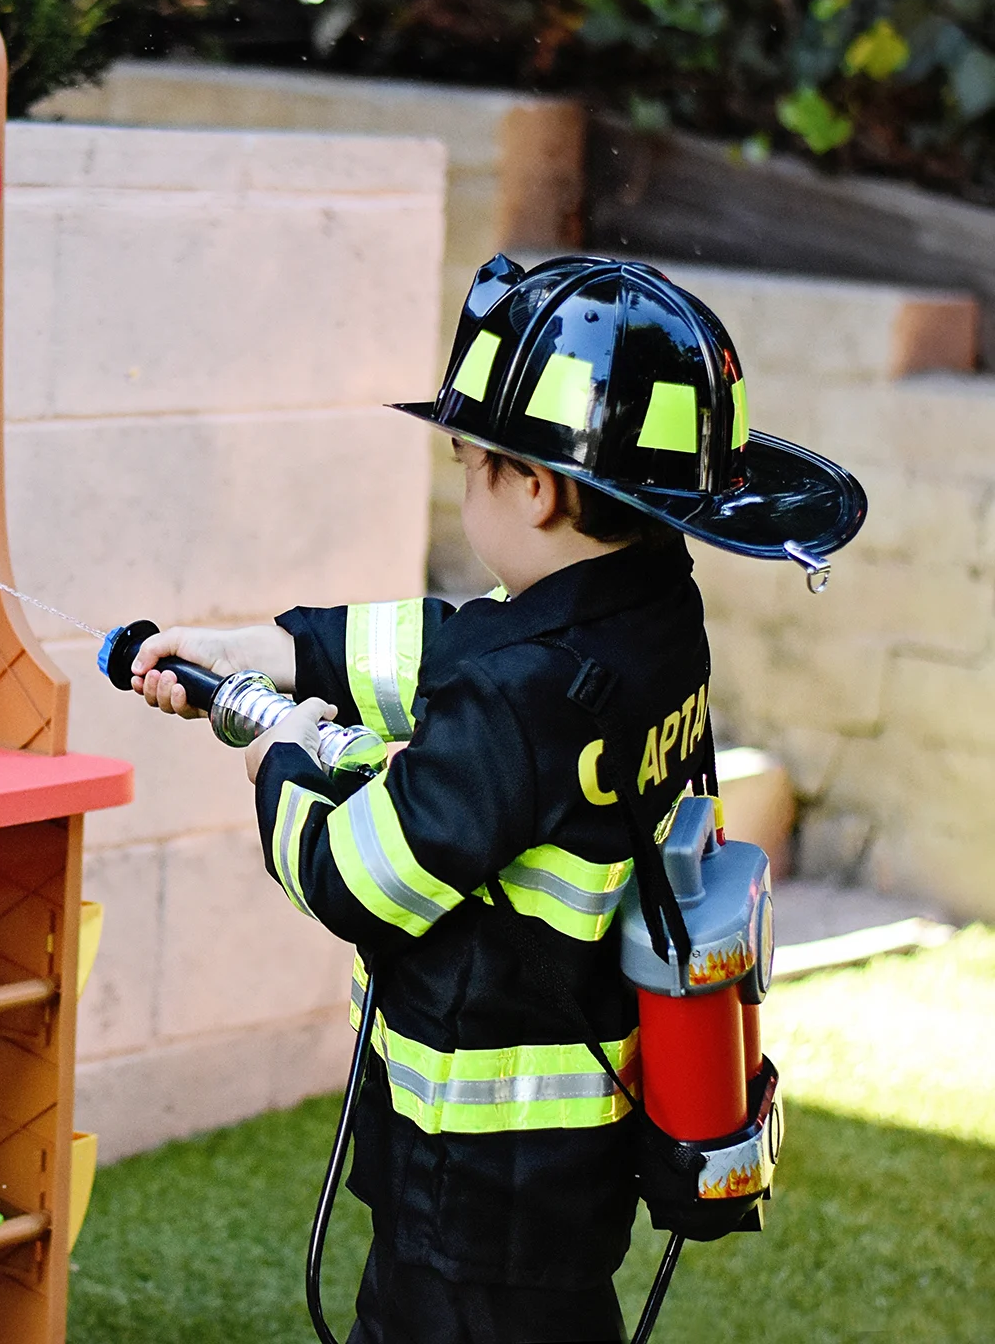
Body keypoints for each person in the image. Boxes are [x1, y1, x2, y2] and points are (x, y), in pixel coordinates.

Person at [128, 255, 865, 1344]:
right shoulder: (648, 616)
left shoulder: (521, 700)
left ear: (533, 484)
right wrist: (275, 651)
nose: (464, 480)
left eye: (471, 459)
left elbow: (356, 880)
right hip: (570, 1165)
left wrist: (279, 759)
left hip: (466, 1184)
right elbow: (460, 641)